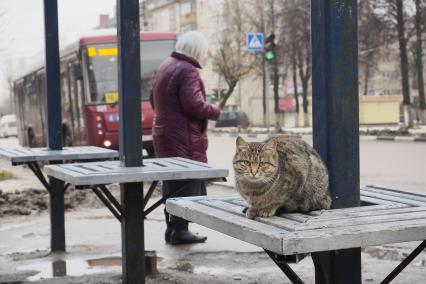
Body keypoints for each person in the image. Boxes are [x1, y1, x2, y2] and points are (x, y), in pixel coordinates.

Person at [149, 31, 222, 245]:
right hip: (183, 137)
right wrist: (216, 112)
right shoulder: (187, 69)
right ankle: (180, 231)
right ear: (197, 50)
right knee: (186, 184)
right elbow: (194, 105)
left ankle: (172, 230)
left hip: (165, 136)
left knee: (173, 183)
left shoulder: (166, 65)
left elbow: (153, 100)